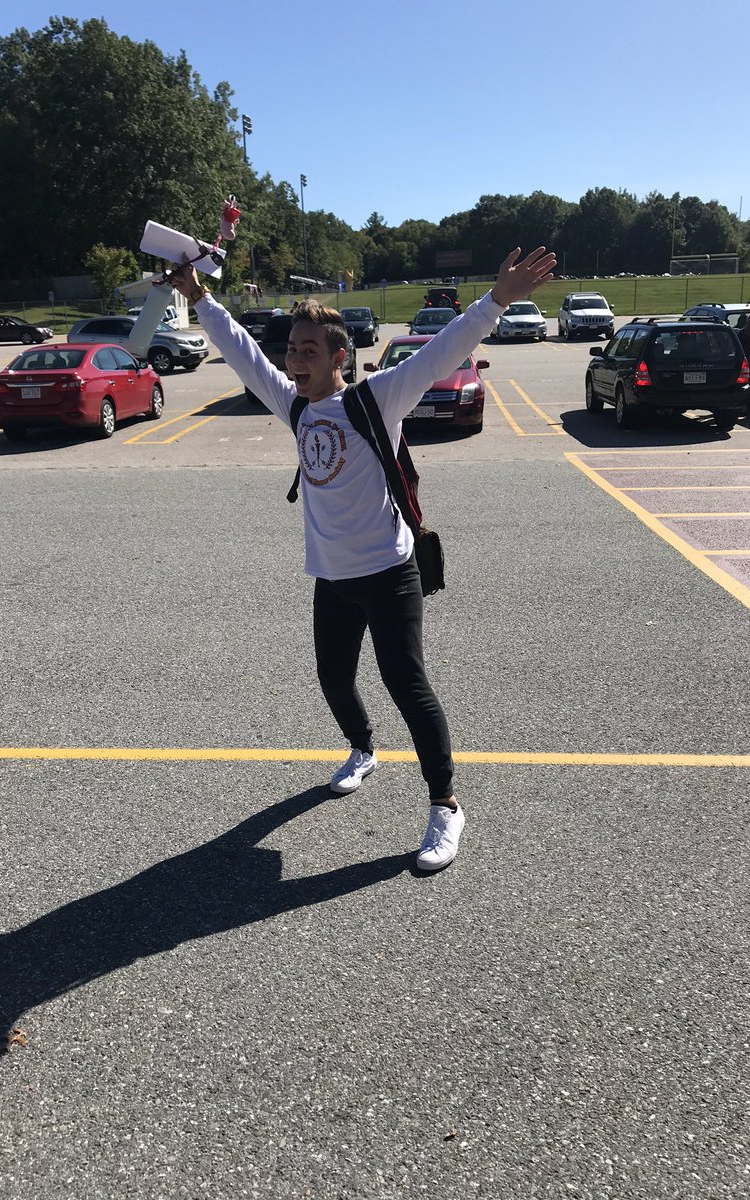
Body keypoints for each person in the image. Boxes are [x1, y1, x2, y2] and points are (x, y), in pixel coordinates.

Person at [167, 246, 555, 871]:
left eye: (308, 350)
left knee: (407, 686)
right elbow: (241, 350)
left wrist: (498, 299)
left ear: (337, 356)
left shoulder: (377, 399)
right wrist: (201, 298)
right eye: (292, 349)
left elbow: (443, 349)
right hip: (331, 577)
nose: (295, 360)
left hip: (389, 572)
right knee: (333, 678)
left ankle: (446, 806)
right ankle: (363, 748)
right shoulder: (292, 403)